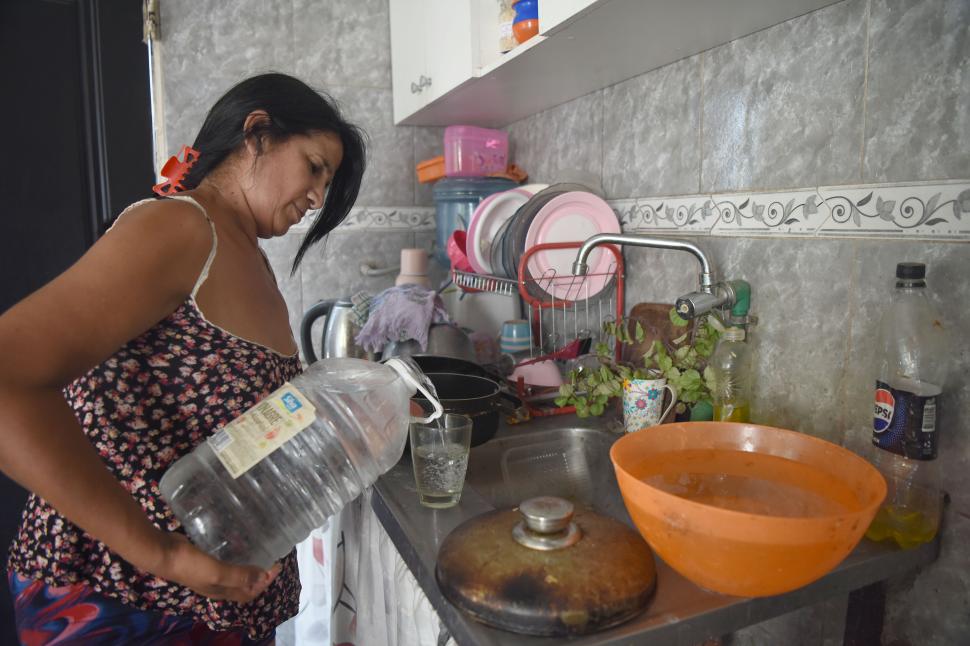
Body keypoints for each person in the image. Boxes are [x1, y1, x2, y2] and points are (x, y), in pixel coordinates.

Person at [0, 72, 366, 643]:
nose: (319, 197)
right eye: (315, 167)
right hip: (123, 597)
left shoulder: (248, 253)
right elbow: (8, 379)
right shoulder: (182, 228)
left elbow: (222, 426)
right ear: (258, 134)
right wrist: (164, 555)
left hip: (212, 599)